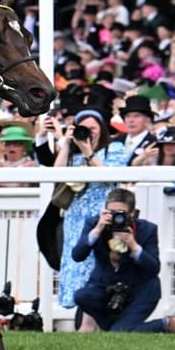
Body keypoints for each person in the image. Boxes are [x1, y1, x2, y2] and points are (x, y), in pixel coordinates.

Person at [72, 188, 175, 333]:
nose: (116, 217)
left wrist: (134, 246)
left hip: (140, 290)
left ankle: (165, 323)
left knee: (118, 333)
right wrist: (97, 230)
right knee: (81, 296)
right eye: (111, 212)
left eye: (121, 213)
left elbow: (154, 268)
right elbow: (77, 256)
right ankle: (118, 328)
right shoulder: (94, 223)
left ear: (132, 213)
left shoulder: (147, 229)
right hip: (106, 287)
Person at [53, 109, 126, 311]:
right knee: (75, 256)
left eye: (93, 128)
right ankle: (73, 304)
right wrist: (66, 144)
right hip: (75, 215)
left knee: (98, 257)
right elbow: (56, 174)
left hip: (102, 213)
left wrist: (88, 152)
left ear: (101, 129)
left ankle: (99, 304)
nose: (89, 132)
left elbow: (111, 177)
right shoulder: (72, 153)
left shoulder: (114, 148)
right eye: (84, 128)